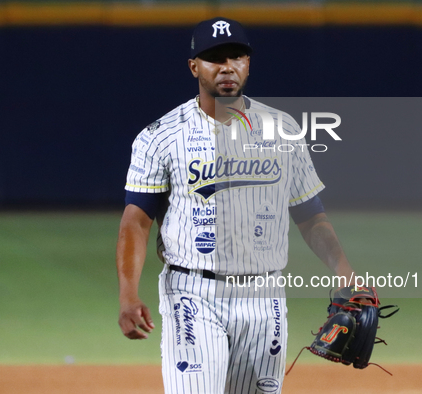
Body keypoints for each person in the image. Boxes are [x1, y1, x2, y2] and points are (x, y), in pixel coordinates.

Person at [116, 17, 355, 394]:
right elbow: (136, 219)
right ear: (194, 66)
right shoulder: (160, 135)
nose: (227, 66)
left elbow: (310, 215)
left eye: (237, 56)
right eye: (214, 58)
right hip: (192, 294)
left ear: (248, 63)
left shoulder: (283, 130)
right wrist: (128, 293)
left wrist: (343, 269)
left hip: (265, 297)